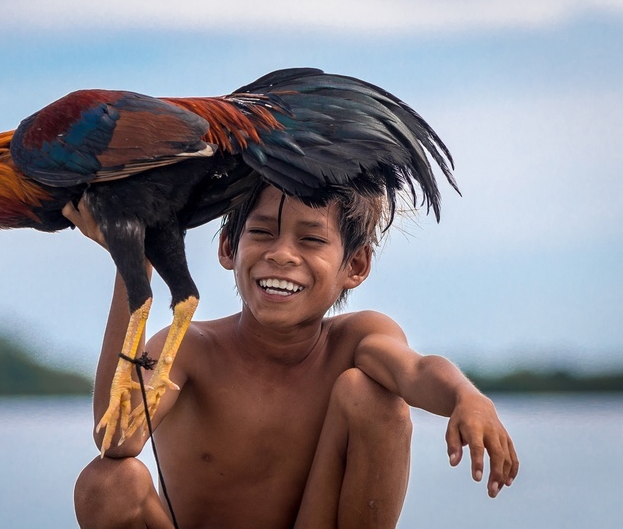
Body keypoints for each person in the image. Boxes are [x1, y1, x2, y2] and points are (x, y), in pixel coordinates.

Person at [64, 182, 518, 528]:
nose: (281, 254)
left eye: (311, 240)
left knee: (370, 393)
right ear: (228, 248)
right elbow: (116, 439)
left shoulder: (357, 339)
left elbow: (414, 370)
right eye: (261, 232)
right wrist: (133, 261)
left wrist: (465, 397)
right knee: (109, 484)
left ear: (355, 266)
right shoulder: (188, 349)